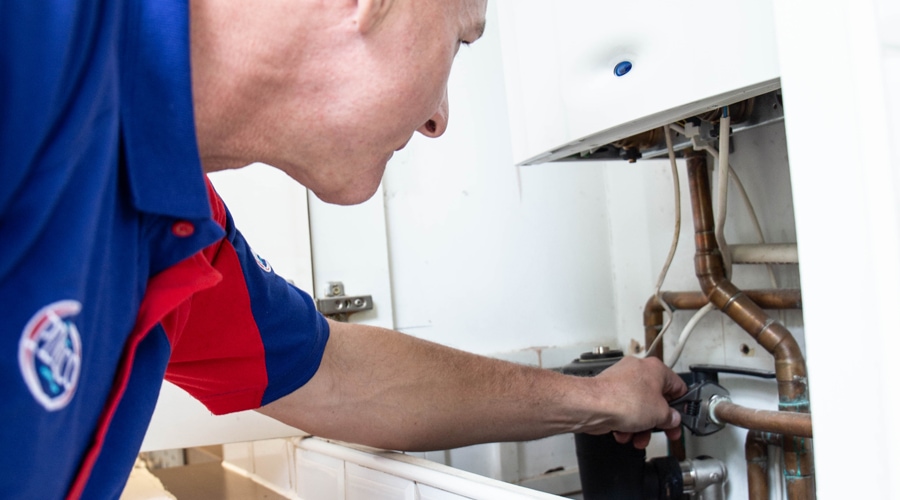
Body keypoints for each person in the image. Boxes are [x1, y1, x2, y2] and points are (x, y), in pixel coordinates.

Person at [0, 0, 686, 497]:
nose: (438, 116)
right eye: (460, 36)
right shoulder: (32, 45)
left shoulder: (175, 227)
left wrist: (595, 398)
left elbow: (336, 376)